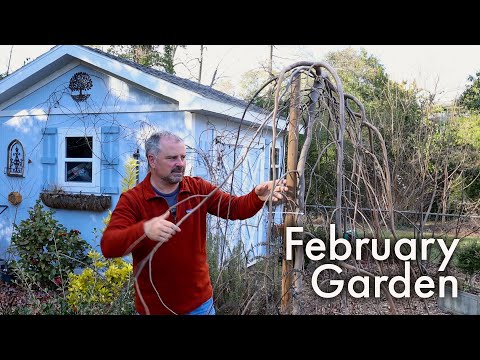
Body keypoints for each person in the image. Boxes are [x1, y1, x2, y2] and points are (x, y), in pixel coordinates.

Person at [101, 131, 287, 315]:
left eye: (183, 157)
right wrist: (144, 230)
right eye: (172, 158)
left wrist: (256, 197)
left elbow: (235, 208)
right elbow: (109, 246)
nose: (180, 164)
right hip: (153, 309)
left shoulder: (197, 189)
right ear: (152, 160)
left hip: (200, 306)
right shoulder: (133, 200)